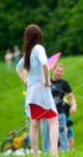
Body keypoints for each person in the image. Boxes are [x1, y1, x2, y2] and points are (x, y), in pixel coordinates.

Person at [16, 24, 58, 157]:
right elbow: (45, 63)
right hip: (42, 91)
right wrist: (47, 81)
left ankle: (35, 155)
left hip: (31, 93)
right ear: (39, 35)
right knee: (53, 122)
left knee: (35, 124)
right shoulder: (39, 48)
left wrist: (26, 81)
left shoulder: (27, 52)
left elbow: (18, 68)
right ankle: (54, 153)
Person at [41, 63, 77, 153]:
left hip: (60, 113)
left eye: (61, 72)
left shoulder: (64, 83)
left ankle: (65, 153)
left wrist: (74, 105)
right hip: (47, 113)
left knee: (62, 134)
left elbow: (71, 96)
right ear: (53, 70)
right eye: (57, 71)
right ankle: (46, 153)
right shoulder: (47, 81)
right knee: (45, 134)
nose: (59, 73)